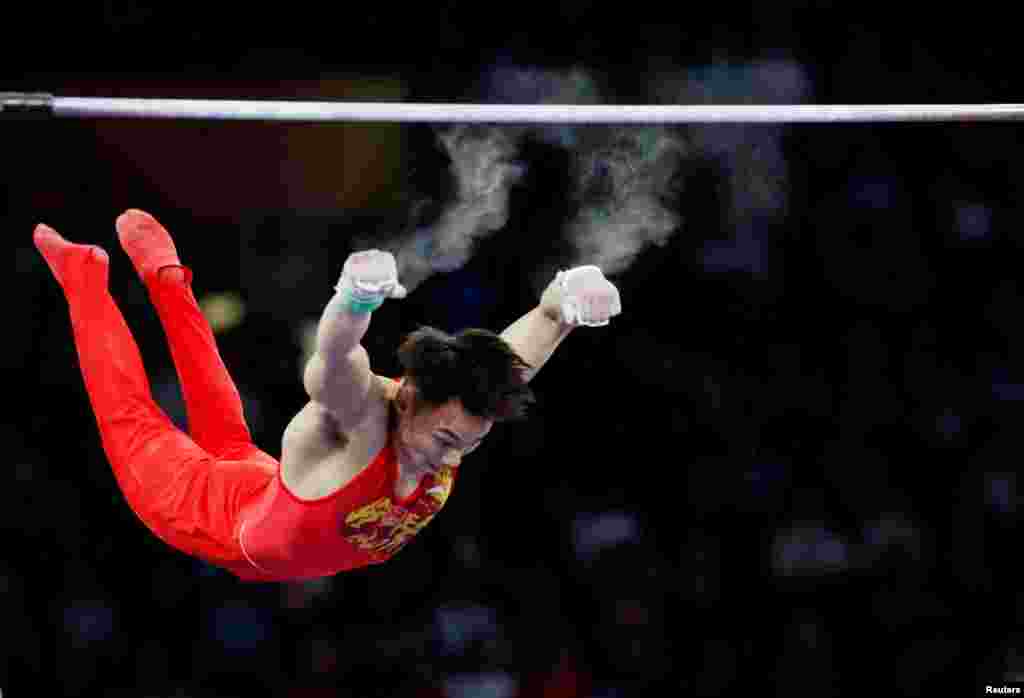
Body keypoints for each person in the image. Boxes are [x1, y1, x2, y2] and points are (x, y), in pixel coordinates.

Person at [32, 209, 622, 582]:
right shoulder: (360, 418)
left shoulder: (457, 410)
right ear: (409, 398)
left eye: (468, 445)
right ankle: (84, 276)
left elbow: (517, 355)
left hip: (262, 497)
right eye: (445, 439)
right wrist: (353, 302)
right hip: (204, 521)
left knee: (222, 417)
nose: (450, 458)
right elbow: (333, 361)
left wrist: (560, 304)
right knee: (131, 416)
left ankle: (165, 275)